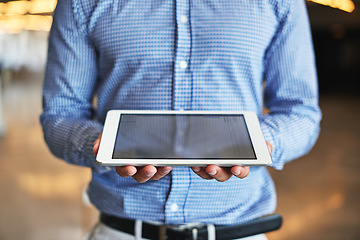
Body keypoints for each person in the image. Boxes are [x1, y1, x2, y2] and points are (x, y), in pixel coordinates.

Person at [40, 0, 321, 239]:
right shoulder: (82, 3)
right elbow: (61, 114)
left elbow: (300, 112)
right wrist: (103, 146)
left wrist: (259, 143)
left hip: (239, 229)